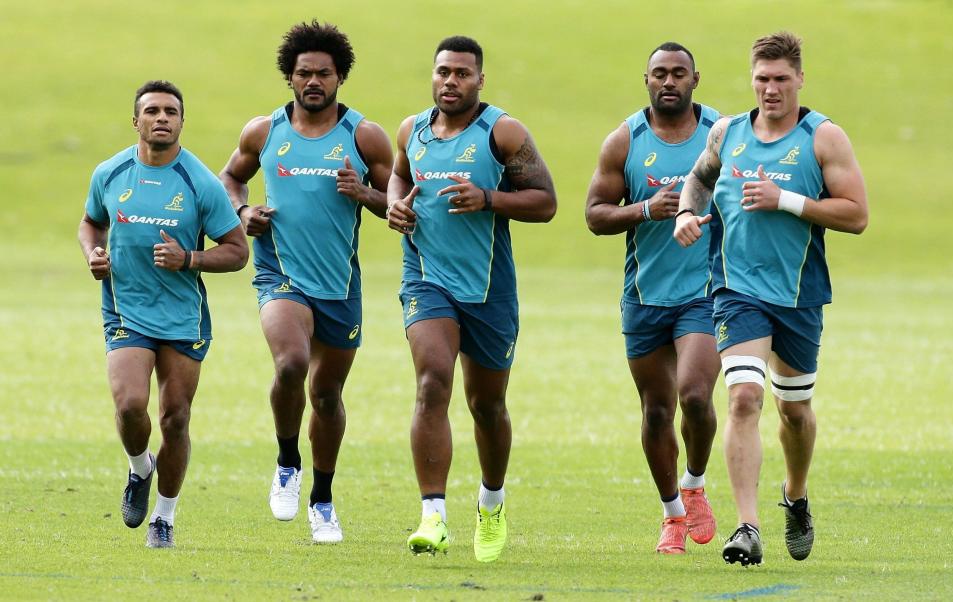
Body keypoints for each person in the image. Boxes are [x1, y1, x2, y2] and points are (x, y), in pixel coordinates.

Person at [673, 31, 868, 566]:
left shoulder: (823, 138)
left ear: (800, 79)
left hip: (800, 295)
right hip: (737, 292)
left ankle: (796, 496)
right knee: (742, 399)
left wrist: (788, 200)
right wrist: (688, 214)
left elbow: (856, 214)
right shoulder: (726, 132)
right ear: (751, 79)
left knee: (795, 412)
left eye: (781, 79)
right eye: (762, 79)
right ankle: (747, 527)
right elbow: (698, 181)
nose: (771, 89)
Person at [219, 20, 393, 544]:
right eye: (303, 74)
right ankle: (287, 461)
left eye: (323, 73)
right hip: (280, 273)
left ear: (340, 77)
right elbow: (229, 178)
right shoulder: (264, 131)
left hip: (339, 283)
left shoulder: (364, 135)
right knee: (291, 362)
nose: (312, 81)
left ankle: (322, 497)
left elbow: (402, 207)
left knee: (326, 394)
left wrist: (365, 194)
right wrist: (243, 209)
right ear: (289, 78)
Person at [386, 35, 557, 562]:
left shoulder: (501, 132)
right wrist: (395, 205)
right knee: (433, 380)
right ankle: (432, 516)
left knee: (487, 405)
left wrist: (488, 198)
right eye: (442, 72)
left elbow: (546, 202)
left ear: (480, 80)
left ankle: (491, 501)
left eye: (462, 73)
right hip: (426, 278)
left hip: (488, 289)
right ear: (432, 75)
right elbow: (398, 175)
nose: (450, 81)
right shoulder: (411, 130)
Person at [78, 80, 248, 548]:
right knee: (131, 405)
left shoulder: (200, 183)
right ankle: (139, 468)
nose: (162, 118)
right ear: (136, 121)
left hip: (181, 317)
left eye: (171, 111)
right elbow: (91, 221)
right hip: (126, 310)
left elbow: (237, 251)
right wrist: (93, 252)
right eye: (152, 110)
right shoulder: (110, 173)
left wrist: (189, 259)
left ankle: (164, 518)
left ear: (180, 121)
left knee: (175, 419)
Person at [585, 42, 720, 555]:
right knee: (657, 410)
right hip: (644, 296)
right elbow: (595, 215)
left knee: (694, 395)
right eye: (659, 73)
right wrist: (644, 209)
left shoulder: (723, 135)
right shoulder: (625, 140)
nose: (669, 81)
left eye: (678, 73)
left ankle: (695, 483)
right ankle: (671, 514)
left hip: (706, 293)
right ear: (646, 80)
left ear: (695, 79)